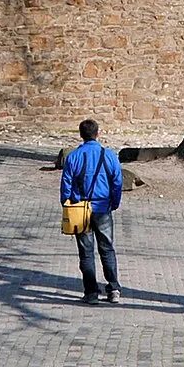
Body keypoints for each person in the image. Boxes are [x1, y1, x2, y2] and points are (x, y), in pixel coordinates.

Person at [60, 119, 123, 304]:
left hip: (81, 211)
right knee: (107, 249)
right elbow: (117, 182)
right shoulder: (109, 156)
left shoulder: (73, 157)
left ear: (81, 134)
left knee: (86, 252)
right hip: (103, 208)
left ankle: (91, 293)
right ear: (98, 133)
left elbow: (66, 184)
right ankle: (113, 289)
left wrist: (67, 203)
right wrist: (114, 202)